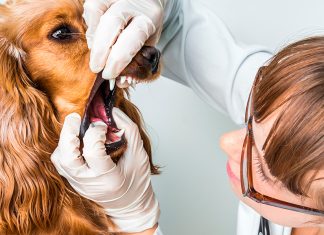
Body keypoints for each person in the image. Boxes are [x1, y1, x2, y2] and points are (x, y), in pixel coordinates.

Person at [51, 0, 324, 234]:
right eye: (254, 115)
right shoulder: (304, 98)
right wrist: (150, 12)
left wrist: (137, 220)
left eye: (263, 169)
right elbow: (179, 33)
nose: (226, 141)